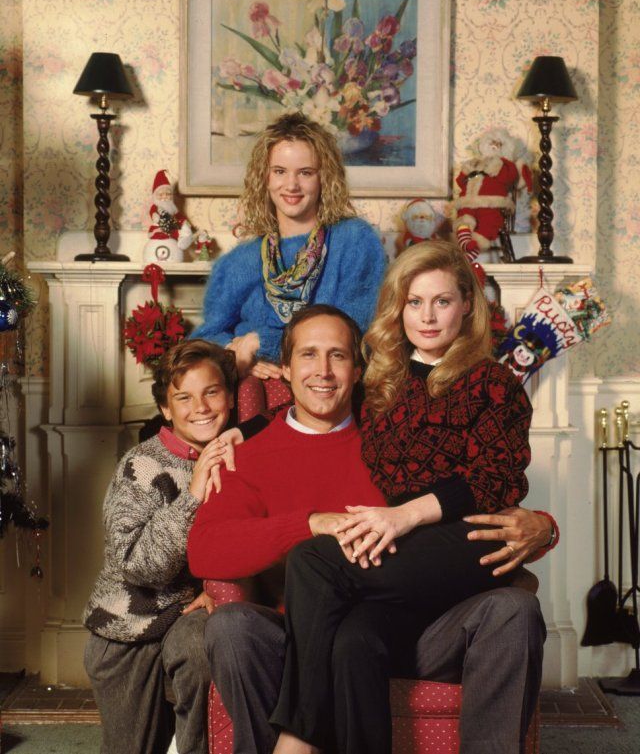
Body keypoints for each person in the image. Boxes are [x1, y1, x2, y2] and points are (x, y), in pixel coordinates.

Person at [187, 305, 556, 754]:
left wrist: (544, 528)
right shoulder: (247, 455)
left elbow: (477, 492)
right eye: (308, 355)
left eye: (338, 356)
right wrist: (306, 525)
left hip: (416, 628)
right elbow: (205, 549)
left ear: (358, 370)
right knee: (231, 627)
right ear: (284, 369)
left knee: (513, 609)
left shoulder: (395, 433)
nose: (322, 371)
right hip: (299, 639)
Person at [269, 242, 538, 753]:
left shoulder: (493, 382)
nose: (428, 316)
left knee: (311, 559)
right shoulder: (382, 382)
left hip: (468, 542)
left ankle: (296, 737)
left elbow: (495, 478)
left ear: (466, 306)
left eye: (442, 301)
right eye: (415, 302)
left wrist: (403, 516)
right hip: (406, 558)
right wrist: (241, 429)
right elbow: (316, 401)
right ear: (398, 308)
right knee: (353, 641)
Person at [83, 339, 242, 754]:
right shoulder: (143, 466)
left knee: (199, 650)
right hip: (126, 633)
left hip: (182, 619)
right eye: (184, 398)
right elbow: (137, 567)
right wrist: (191, 496)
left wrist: (216, 587)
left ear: (229, 396)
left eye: (211, 392)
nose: (202, 407)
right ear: (166, 410)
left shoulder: (237, 455)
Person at [190, 111, 386, 382]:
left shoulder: (355, 241)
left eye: (305, 173)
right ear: (264, 178)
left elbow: (354, 331)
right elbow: (206, 336)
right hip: (253, 387)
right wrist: (236, 352)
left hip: (332, 386)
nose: (291, 185)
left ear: (324, 178)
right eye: (279, 171)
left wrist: (260, 343)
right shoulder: (238, 261)